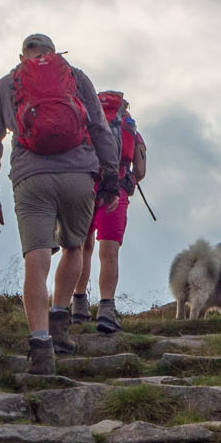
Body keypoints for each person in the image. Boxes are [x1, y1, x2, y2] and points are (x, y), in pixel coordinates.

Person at [0, 33, 121, 376]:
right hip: (78, 176)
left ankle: (41, 348)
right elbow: (100, 128)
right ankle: (60, 321)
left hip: (31, 178)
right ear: (54, 54)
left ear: (22, 55)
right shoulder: (76, 77)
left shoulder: (5, 85)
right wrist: (111, 177)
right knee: (74, 247)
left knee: (37, 258)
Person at [71, 90, 148, 334]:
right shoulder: (131, 130)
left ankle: (78, 305)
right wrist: (128, 181)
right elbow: (141, 170)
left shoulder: (89, 123)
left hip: (86, 186)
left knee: (82, 246)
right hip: (117, 190)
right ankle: (106, 309)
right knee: (109, 252)